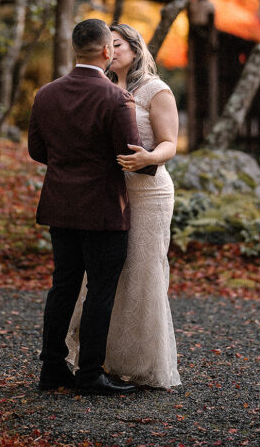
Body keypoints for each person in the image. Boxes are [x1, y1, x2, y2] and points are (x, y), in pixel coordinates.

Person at [28, 17, 156, 396]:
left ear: (74, 48)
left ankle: (52, 369)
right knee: (100, 290)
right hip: (103, 209)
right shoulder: (117, 99)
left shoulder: (46, 94)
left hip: (60, 207)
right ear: (105, 51)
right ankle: (89, 374)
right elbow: (128, 154)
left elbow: (38, 151)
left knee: (63, 286)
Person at [67, 22, 181, 390]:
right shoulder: (98, 88)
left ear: (135, 47)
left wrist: (149, 156)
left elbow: (170, 143)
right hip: (108, 192)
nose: (112, 50)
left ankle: (143, 362)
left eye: (118, 45)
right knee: (104, 276)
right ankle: (103, 359)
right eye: (108, 45)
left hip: (148, 192)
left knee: (142, 271)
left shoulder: (155, 90)